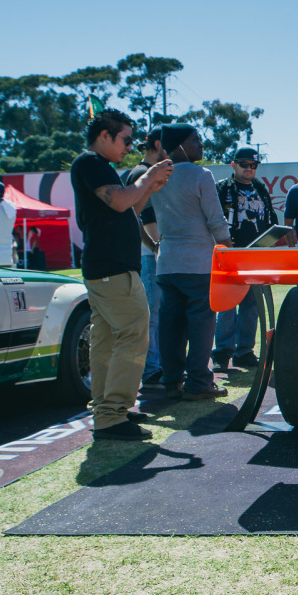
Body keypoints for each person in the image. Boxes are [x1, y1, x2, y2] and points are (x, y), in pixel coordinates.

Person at [70, 108, 172, 441]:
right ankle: (112, 413)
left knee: (107, 341)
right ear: (105, 135)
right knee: (133, 334)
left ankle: (107, 413)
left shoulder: (97, 166)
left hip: (107, 268)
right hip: (112, 269)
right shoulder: (91, 163)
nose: (129, 147)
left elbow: (127, 209)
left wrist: (149, 187)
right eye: (125, 140)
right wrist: (146, 178)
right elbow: (118, 202)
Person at [148, 123, 232, 402]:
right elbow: (216, 221)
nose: (201, 144)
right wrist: (230, 250)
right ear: (180, 145)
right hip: (197, 264)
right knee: (201, 325)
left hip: (167, 263)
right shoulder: (201, 175)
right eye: (195, 140)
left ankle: (172, 381)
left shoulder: (157, 176)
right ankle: (198, 382)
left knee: (170, 325)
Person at [212, 147, 277, 372]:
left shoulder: (260, 188)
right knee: (227, 306)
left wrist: (271, 240)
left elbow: (271, 220)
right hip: (229, 255)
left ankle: (244, 351)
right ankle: (222, 353)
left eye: (253, 165)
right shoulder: (222, 188)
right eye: (244, 164)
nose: (249, 169)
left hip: (256, 256)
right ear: (233, 165)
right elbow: (212, 220)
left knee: (251, 306)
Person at [123, 128, 165, 385]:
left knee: (155, 314)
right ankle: (150, 368)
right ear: (158, 145)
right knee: (151, 315)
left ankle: (155, 365)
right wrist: (156, 246)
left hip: (150, 252)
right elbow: (142, 215)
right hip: (148, 254)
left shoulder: (142, 171)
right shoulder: (142, 172)